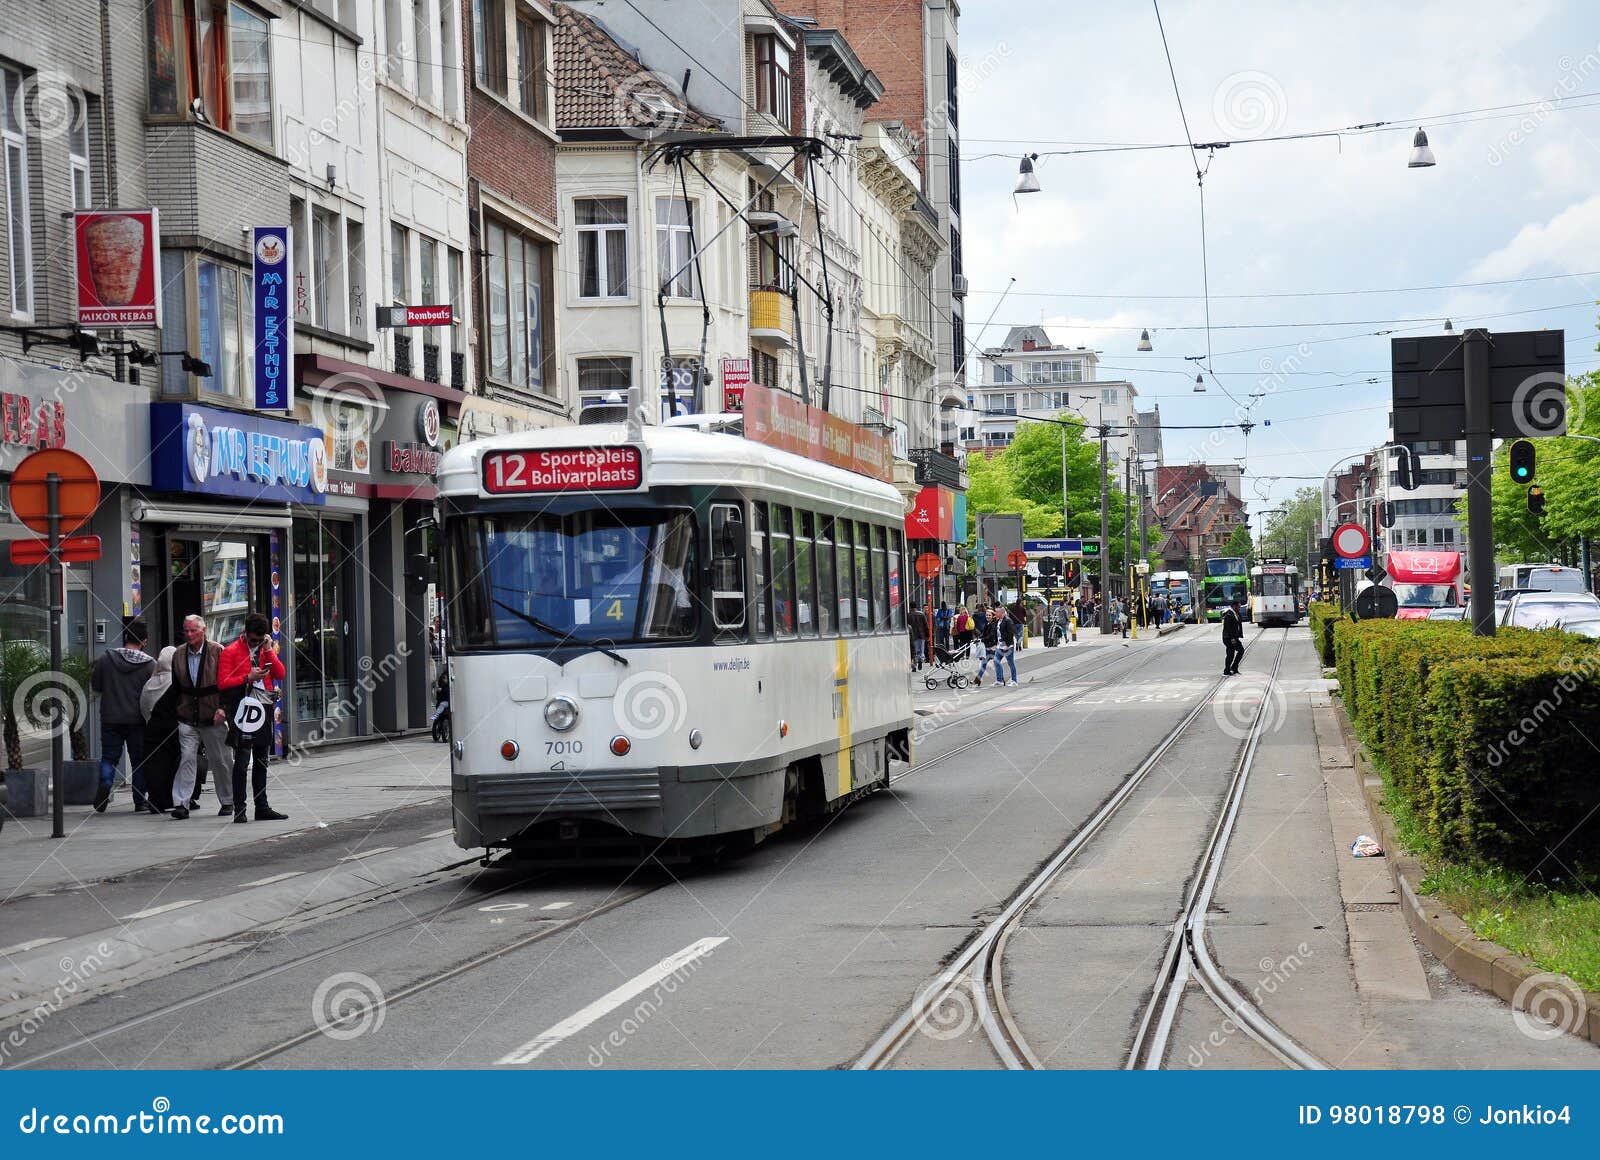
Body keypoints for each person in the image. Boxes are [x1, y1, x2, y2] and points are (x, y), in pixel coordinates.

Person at [218, 613, 288, 823]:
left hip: (263, 707)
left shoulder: (264, 649)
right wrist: (247, 677)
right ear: (245, 633)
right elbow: (222, 683)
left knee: (261, 760)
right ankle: (240, 808)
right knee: (241, 760)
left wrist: (268, 650)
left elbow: (281, 673)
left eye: (260, 640)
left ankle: (262, 806)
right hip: (242, 709)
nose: (255, 643)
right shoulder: (230, 652)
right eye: (253, 640)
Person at [170, 614, 234, 821]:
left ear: (203, 630)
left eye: (193, 631)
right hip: (187, 715)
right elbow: (176, 687)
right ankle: (181, 803)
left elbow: (228, 684)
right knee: (187, 758)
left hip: (213, 714)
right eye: (186, 631)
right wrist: (176, 711)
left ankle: (228, 800)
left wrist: (223, 709)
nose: (189, 635)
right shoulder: (178, 654)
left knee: (220, 760)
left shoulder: (218, 651)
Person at [90, 618, 155, 813]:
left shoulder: (105, 659)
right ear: (145, 641)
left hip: (110, 717)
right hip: (137, 720)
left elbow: (96, 685)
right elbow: (153, 692)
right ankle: (139, 800)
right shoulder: (150, 665)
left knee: (109, 758)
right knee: (139, 760)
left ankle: (106, 783)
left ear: (125, 636)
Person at [140, 646, 181, 813]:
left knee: (155, 766)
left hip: (152, 729)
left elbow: (143, 705)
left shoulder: (149, 683)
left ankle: (156, 799)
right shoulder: (177, 681)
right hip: (174, 729)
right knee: (174, 765)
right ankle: (173, 798)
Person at [994, 609, 1020, 685]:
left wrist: (1008, 645)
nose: (995, 613)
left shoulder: (1008, 621)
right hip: (1000, 646)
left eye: (997, 612)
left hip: (1007, 646)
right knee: (996, 661)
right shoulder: (999, 621)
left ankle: (1014, 681)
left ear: (1002, 613)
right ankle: (1000, 680)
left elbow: (1011, 633)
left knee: (1010, 663)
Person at [1222, 598, 1245, 676]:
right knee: (1230, 654)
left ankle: (1234, 668)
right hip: (1229, 638)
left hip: (1234, 637)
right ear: (1234, 606)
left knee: (1240, 651)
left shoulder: (1236, 613)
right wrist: (1232, 638)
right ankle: (1227, 670)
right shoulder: (1229, 614)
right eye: (1238, 607)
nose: (1239, 608)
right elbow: (1228, 627)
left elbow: (1238, 623)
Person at [431, 667, 451, 742]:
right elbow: (438, 696)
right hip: (442, 702)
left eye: (445, 678)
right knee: (440, 705)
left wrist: (441, 690)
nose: (444, 679)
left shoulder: (447, 686)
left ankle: (436, 715)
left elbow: (448, 691)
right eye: (444, 678)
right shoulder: (442, 684)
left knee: (442, 705)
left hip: (447, 702)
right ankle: (437, 722)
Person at [908, 604, 929, 670]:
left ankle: (914, 665)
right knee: (921, 650)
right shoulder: (922, 614)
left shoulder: (908, 615)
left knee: (913, 650)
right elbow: (926, 625)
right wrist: (927, 635)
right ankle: (920, 660)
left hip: (912, 636)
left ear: (910, 607)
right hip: (921, 635)